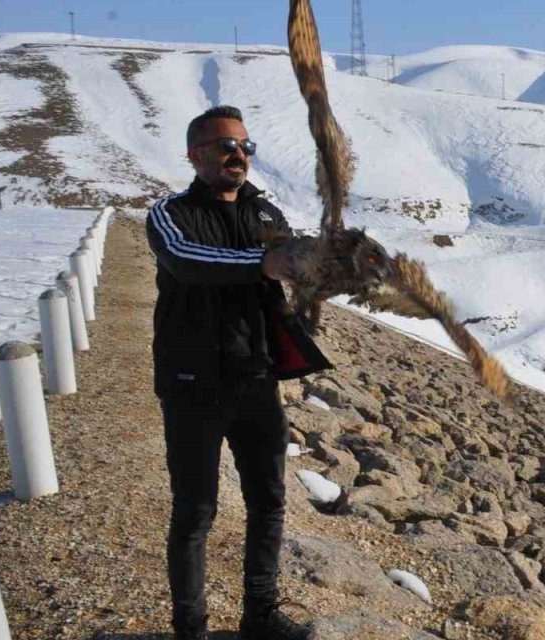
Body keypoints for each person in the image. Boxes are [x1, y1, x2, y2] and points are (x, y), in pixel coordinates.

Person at [145, 105, 330, 640]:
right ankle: (191, 628)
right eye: (226, 146)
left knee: (269, 500)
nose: (238, 155)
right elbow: (185, 261)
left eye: (245, 146)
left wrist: (330, 264)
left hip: (256, 376)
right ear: (195, 155)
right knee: (196, 509)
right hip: (193, 382)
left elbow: (291, 264)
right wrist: (263, 264)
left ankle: (261, 615)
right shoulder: (170, 214)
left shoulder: (266, 215)